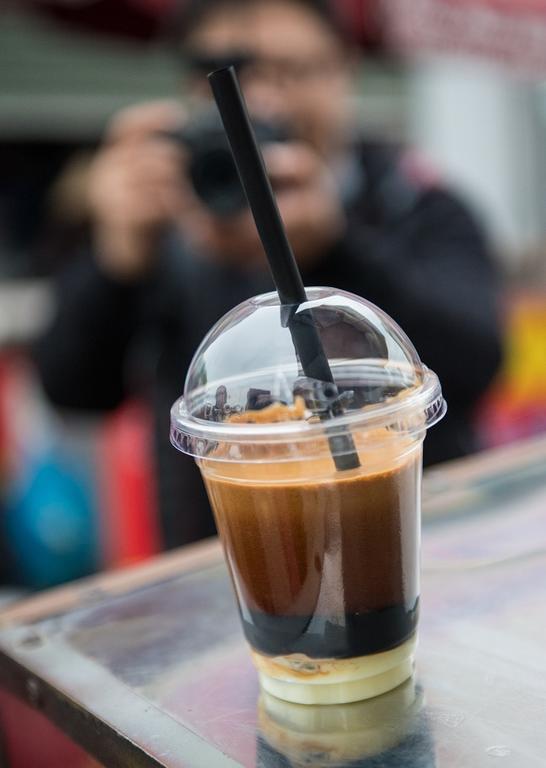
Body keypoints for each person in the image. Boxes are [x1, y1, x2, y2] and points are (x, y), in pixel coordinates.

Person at [35, 0, 502, 548]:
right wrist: (116, 261)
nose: (261, 99)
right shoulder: (167, 220)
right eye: (230, 72)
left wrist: (333, 248)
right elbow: (74, 389)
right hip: (227, 560)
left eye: (289, 71)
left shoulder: (413, 203)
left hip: (414, 543)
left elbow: (474, 366)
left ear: (344, 70)